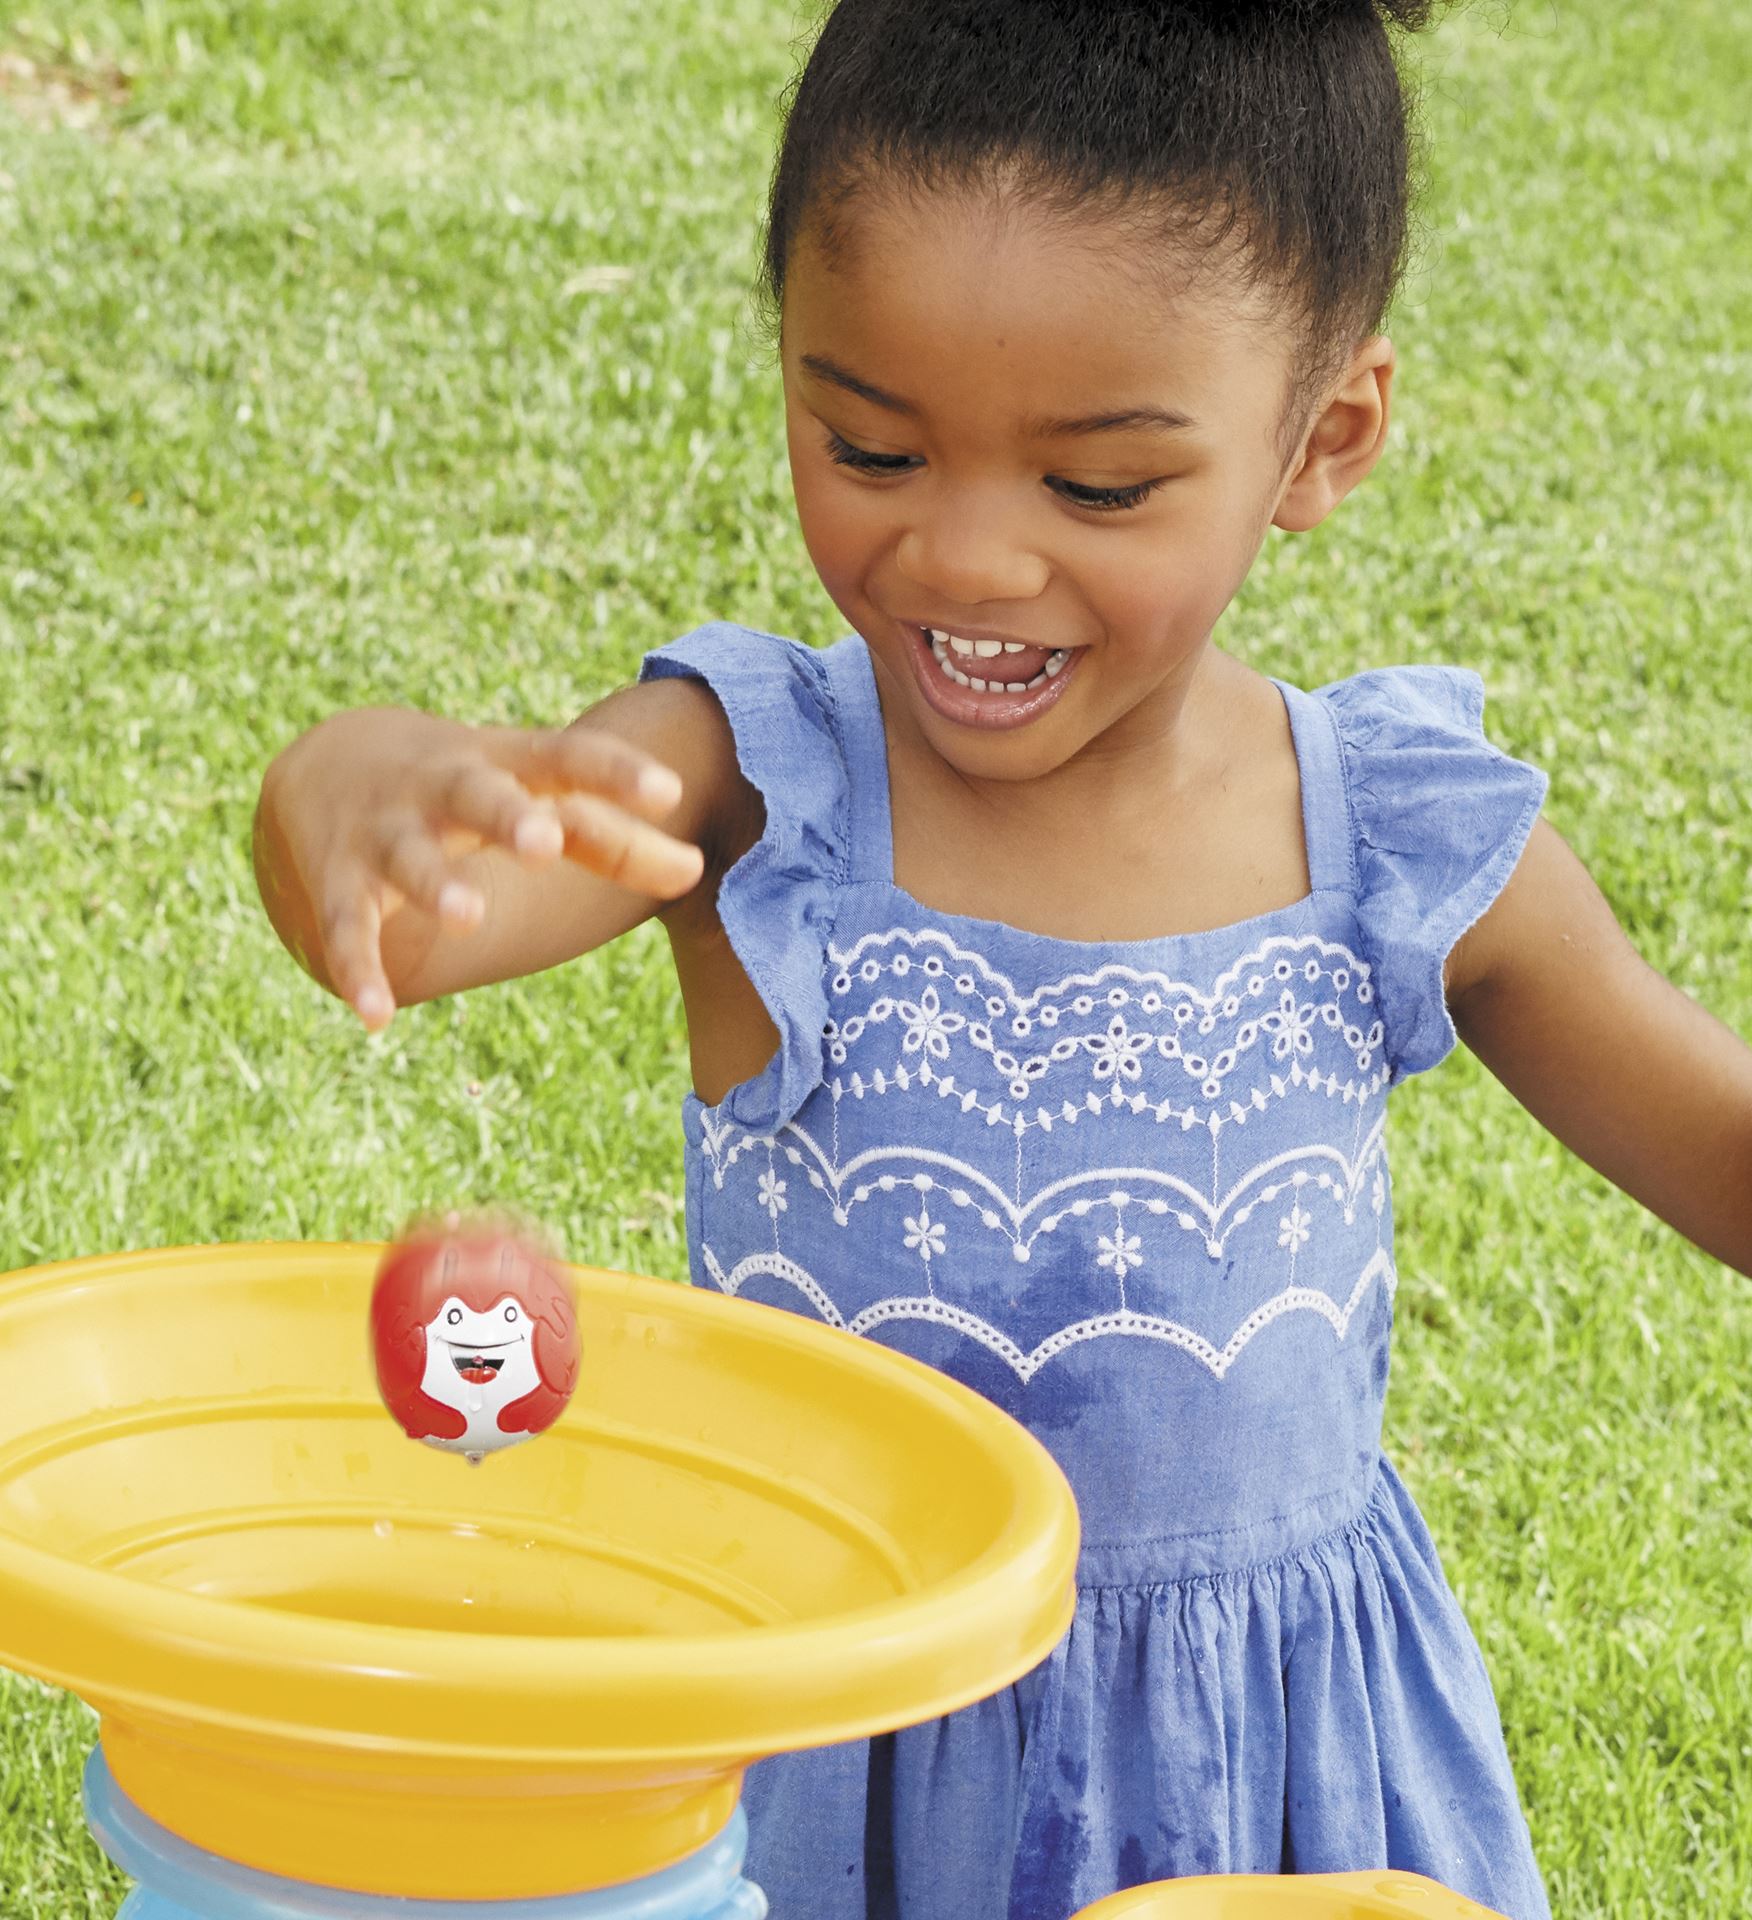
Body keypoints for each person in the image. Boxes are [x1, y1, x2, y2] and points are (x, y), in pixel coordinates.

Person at [251, 3, 1752, 1915]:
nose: (962, 558)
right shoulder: (746, 779)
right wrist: (355, 785)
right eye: (868, 443)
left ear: (1327, 436)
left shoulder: (1392, 835)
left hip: (1271, 1794)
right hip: (823, 1749)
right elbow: (427, 906)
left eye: (1097, 487)